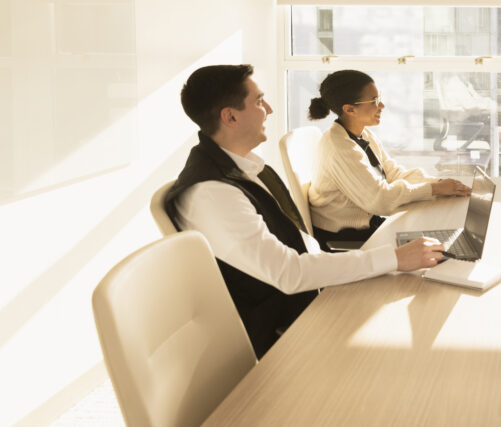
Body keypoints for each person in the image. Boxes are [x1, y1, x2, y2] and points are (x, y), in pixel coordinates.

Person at [164, 64, 444, 358]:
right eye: (259, 101)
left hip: (312, 289)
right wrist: (394, 258)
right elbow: (289, 274)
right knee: (413, 337)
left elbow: (299, 250)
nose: (269, 110)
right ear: (230, 116)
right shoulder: (213, 194)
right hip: (287, 327)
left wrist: (379, 261)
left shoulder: (247, 168)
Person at [306, 69, 470, 250]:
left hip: (369, 226)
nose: (381, 105)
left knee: (442, 231)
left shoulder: (362, 134)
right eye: (374, 101)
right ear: (349, 109)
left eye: (379, 97)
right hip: (345, 237)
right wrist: (433, 189)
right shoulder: (339, 147)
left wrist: (438, 183)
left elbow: (393, 174)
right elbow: (380, 200)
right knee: (440, 247)